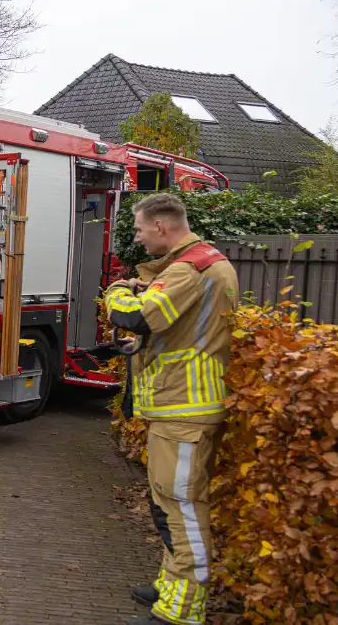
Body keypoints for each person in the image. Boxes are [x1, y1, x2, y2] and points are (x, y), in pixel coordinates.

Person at [104, 194, 237, 625]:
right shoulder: (203, 262)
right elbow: (176, 330)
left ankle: (181, 612)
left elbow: (137, 316)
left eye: (141, 230)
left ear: (161, 226)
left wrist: (117, 290)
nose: (139, 239)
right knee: (169, 503)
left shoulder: (189, 268)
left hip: (185, 410)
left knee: (181, 508)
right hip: (180, 406)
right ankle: (170, 585)